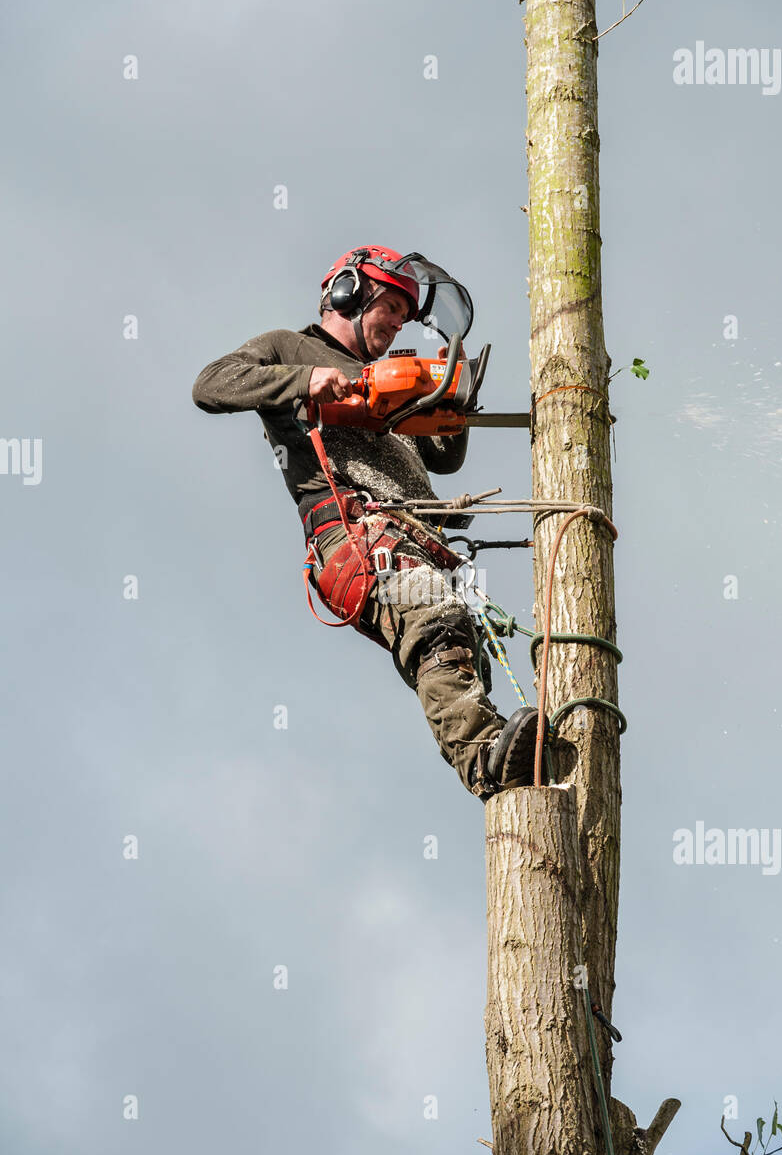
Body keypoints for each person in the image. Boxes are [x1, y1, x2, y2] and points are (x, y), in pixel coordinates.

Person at [192, 244, 539, 799]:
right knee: (433, 618)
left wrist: (451, 402)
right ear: (348, 293)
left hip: (419, 538)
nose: (400, 320)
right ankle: (485, 761)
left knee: (457, 647)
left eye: (407, 312)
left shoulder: (389, 375)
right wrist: (304, 382)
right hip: (356, 534)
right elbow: (211, 384)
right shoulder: (291, 347)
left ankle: (515, 761)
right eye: (392, 306)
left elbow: (444, 458)